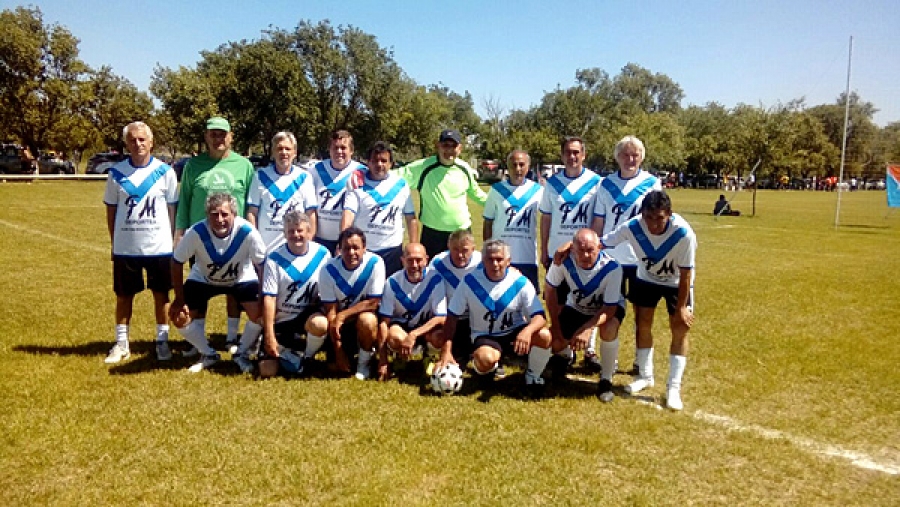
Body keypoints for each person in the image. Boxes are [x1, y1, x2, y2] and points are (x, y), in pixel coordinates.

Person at [600, 190, 697, 410]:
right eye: (648, 217)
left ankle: (673, 388)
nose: (653, 224)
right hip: (646, 278)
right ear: (642, 214)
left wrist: (682, 307)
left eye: (659, 218)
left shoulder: (683, 234)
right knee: (642, 324)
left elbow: (686, 273)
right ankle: (645, 376)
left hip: (676, 282)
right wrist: (570, 246)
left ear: (669, 214)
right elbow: (604, 242)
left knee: (679, 328)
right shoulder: (633, 226)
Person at [175, 117, 255, 351]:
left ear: (231, 137)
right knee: (200, 286)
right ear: (206, 137)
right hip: (200, 239)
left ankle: (231, 337)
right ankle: (199, 341)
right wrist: (179, 234)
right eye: (213, 134)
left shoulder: (244, 165)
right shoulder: (193, 165)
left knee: (234, 287)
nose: (218, 138)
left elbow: (251, 202)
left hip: (235, 238)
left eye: (222, 134)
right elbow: (184, 201)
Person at [103, 121, 179, 363]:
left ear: (151, 142)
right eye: (132, 140)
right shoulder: (116, 174)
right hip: (127, 247)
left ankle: (162, 342)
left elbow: (172, 210)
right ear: (126, 144)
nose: (138, 144)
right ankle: (121, 343)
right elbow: (111, 211)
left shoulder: (165, 172)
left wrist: (173, 241)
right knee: (123, 296)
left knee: (161, 295)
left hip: (159, 247)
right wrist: (115, 242)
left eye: (142, 139)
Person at [437, 240, 552, 396]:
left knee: (544, 336)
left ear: (508, 261)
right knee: (485, 359)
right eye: (490, 259)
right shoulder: (470, 282)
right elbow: (452, 317)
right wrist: (446, 351)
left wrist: (527, 331)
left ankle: (533, 377)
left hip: (515, 333)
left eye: (499, 259)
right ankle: (486, 369)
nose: (495, 264)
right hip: (486, 336)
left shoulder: (520, 282)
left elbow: (540, 316)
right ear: (483, 261)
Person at [585, 135, 661, 369]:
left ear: (641, 157)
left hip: (640, 260)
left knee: (642, 313)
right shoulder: (605, 184)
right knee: (604, 308)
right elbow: (599, 220)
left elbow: (657, 222)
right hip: (611, 258)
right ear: (617, 157)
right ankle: (596, 354)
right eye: (625, 155)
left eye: (635, 155)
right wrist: (595, 249)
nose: (630, 159)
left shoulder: (652, 183)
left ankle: (641, 362)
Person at [169, 193, 267, 373]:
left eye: (224, 214)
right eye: (214, 214)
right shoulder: (196, 232)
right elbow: (176, 261)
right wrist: (179, 298)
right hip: (203, 279)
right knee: (178, 316)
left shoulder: (248, 232)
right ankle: (208, 354)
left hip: (240, 278)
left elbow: (262, 266)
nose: (220, 219)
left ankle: (241, 353)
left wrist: (263, 296)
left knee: (261, 313)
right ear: (207, 215)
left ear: (234, 214)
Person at [248, 210, 331, 378]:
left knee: (320, 324)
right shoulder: (274, 258)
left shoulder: (323, 255)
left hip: (305, 318)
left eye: (300, 230)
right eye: (291, 231)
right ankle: (284, 352)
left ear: (309, 231)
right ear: (284, 234)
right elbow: (269, 298)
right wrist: (269, 334)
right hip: (282, 320)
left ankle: (307, 358)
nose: (296, 235)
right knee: (267, 371)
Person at [545, 229, 623, 402]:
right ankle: (566, 356)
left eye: (590, 250)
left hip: (604, 310)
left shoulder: (612, 268)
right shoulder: (563, 261)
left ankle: (606, 379)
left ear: (599, 247)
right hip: (577, 307)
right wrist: (556, 327)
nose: (586, 255)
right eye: (581, 250)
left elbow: (610, 308)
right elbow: (550, 290)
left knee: (609, 329)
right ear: (572, 249)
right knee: (553, 342)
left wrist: (587, 329)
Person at [395, 129, 487, 258]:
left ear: (459, 148)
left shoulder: (464, 168)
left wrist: (499, 203)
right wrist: (366, 173)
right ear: (438, 146)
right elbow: (392, 177)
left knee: (464, 268)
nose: (449, 150)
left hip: (461, 231)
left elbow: (475, 192)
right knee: (431, 269)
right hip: (433, 234)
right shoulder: (423, 167)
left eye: (453, 146)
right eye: (445, 145)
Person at [341, 141, 419, 276]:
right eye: (375, 160)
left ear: (391, 164)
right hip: (365, 251)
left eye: (384, 161)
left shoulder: (400, 185)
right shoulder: (357, 183)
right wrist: (343, 242)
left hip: (392, 251)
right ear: (368, 162)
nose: (379, 164)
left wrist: (413, 246)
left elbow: (410, 217)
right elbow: (348, 214)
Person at [319, 227, 386, 380]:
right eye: (346, 248)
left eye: (356, 248)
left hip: (360, 321)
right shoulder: (328, 269)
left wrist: (343, 315)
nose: (351, 253)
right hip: (341, 326)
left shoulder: (375, 263)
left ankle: (363, 364)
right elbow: (331, 311)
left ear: (364, 248)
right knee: (333, 367)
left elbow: (374, 302)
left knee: (367, 320)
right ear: (339, 249)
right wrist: (338, 350)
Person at [376, 243, 447, 381]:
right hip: (402, 328)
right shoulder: (392, 282)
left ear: (426, 260)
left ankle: (430, 356)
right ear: (402, 260)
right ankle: (400, 356)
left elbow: (441, 317)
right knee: (394, 336)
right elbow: (384, 322)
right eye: (410, 260)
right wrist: (383, 361)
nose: (414, 265)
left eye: (419, 260)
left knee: (440, 335)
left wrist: (414, 334)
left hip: (425, 329)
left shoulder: (436, 279)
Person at [246, 131, 318, 251]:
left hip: (295, 250)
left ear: (294, 152)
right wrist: (255, 243)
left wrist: (308, 242)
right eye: (279, 149)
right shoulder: (260, 176)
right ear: (273, 152)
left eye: (287, 149)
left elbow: (310, 213)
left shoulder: (304, 177)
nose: (284, 152)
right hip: (266, 249)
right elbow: (252, 213)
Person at [483, 149, 543, 291]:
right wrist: (488, 251)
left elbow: (548, 220)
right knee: (499, 297)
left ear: (528, 167)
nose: (517, 169)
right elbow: (488, 223)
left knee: (528, 300)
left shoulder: (538, 190)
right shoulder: (496, 190)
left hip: (527, 257)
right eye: (513, 165)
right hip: (501, 258)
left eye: (521, 164)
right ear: (507, 166)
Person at [429, 229, 482, 369]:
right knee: (438, 337)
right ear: (448, 247)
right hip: (449, 318)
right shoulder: (438, 263)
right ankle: (432, 354)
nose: (460, 255)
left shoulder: (482, 262)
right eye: (455, 249)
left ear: (473, 248)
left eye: (465, 250)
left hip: (476, 319)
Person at [310, 130, 368, 254]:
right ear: (329, 150)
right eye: (335, 148)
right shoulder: (315, 170)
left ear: (351, 150)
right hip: (319, 239)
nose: (339, 151)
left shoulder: (361, 172)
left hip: (349, 241)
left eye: (343, 148)